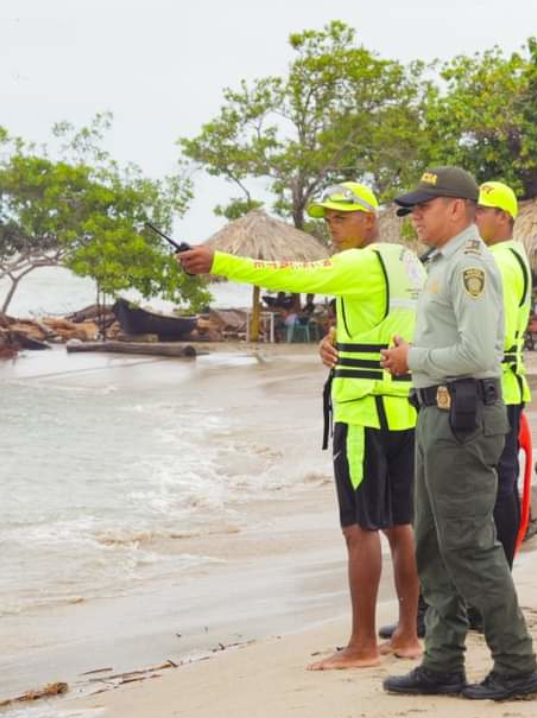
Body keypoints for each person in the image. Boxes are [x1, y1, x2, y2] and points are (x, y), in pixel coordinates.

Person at [177, 181, 424, 670]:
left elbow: (287, 272)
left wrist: (218, 261)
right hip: (405, 407)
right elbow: (391, 321)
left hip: (363, 411)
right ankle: (408, 635)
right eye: (328, 219)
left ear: (369, 220)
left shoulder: (357, 263)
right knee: (402, 526)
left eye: (341, 218)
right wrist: (336, 340)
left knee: (360, 528)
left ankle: (362, 645)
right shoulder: (407, 261)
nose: (332, 227)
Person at [379, 166, 537, 701]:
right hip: (438, 412)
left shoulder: (471, 265)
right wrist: (412, 358)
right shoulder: (444, 262)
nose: (415, 217)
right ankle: (443, 662)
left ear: (456, 208)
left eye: (424, 207)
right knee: (432, 543)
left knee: (470, 546)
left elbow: (478, 353)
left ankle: (517, 664)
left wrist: (413, 358)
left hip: (462, 416)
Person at [474, 181, 532, 569]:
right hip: (507, 386)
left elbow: (498, 334)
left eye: (481, 211)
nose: (474, 218)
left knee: (497, 486)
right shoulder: (511, 256)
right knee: (502, 482)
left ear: (503, 217)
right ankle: (500, 576)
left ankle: (499, 576)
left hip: (498, 387)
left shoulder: (500, 262)